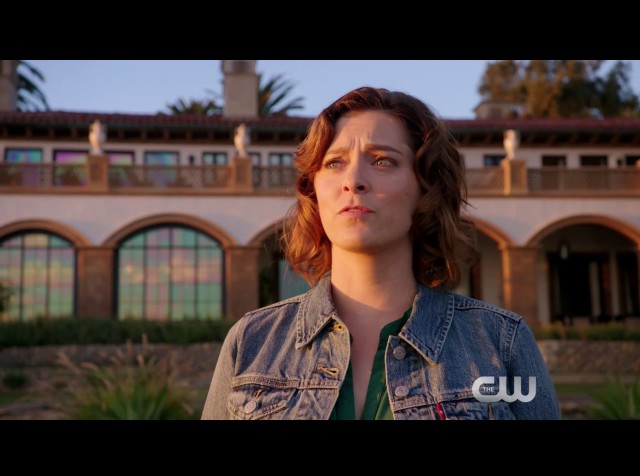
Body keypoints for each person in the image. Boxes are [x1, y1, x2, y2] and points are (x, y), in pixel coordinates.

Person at [201, 86, 561, 420]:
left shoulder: (502, 342)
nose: (353, 180)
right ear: (314, 191)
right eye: (334, 162)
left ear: (426, 188)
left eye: (383, 161)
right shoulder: (251, 341)